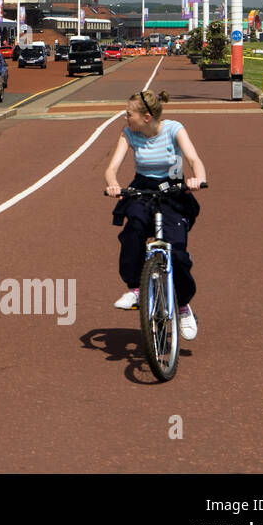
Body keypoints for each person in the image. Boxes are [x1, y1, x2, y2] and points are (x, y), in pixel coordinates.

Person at [103, 89, 207, 340]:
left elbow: (193, 159)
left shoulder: (174, 129)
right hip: (142, 188)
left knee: (177, 251)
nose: (125, 118)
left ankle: (182, 308)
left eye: (129, 114)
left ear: (146, 116)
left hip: (173, 190)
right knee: (133, 231)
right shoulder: (129, 133)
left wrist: (199, 178)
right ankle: (136, 288)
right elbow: (111, 168)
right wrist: (113, 184)